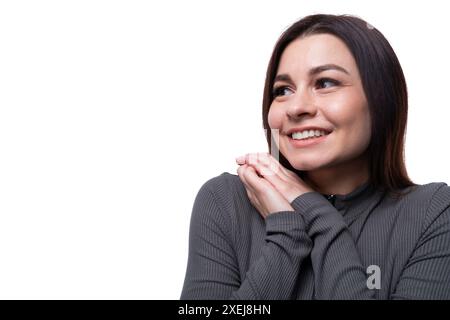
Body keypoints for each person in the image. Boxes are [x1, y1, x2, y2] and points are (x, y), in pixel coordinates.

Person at [180, 14, 450, 299]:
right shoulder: (226, 201)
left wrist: (316, 212)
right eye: (282, 90)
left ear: (382, 99)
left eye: (325, 83)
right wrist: (287, 231)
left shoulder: (433, 214)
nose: (296, 108)